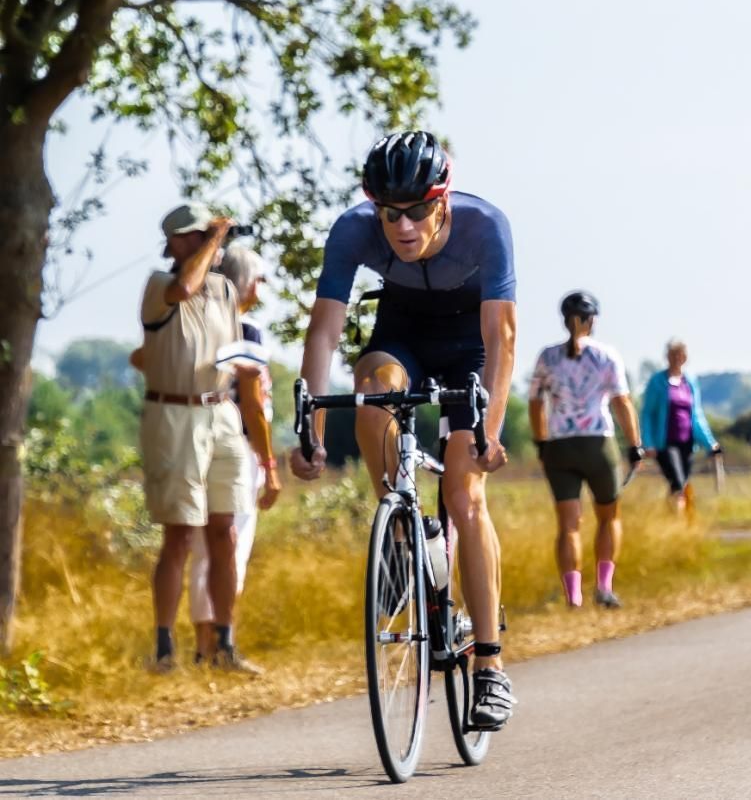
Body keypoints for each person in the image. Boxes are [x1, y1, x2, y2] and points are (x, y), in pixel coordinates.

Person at [288, 130, 516, 729]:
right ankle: (401, 528)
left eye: (417, 211)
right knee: (372, 386)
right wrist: (310, 424)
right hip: (403, 336)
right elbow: (324, 333)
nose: (403, 226)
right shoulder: (352, 229)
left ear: (442, 202)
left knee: (466, 498)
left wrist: (489, 431)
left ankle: (490, 666)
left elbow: (501, 341)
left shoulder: (486, 227)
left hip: (470, 348)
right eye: (390, 213)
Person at [138, 203, 255, 672]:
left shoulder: (224, 289)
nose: (212, 241)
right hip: (174, 414)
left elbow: (223, 350)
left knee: (225, 531)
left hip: (220, 412)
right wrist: (215, 239)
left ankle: (222, 645)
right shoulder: (157, 286)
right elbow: (183, 287)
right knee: (180, 534)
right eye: (200, 235)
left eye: (211, 234)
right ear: (176, 241)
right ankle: (164, 648)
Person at [187, 245, 280, 663]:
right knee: (232, 547)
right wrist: (270, 464)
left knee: (204, 550)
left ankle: (204, 646)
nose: (260, 288)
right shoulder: (248, 332)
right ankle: (221, 644)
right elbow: (254, 405)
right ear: (244, 282)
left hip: (194, 444)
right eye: (258, 279)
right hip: (236, 451)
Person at [528, 291, 644, 609]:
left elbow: (536, 403)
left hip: (559, 446)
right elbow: (622, 402)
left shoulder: (547, 356)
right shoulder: (606, 356)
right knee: (609, 517)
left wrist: (541, 442)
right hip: (597, 443)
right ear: (592, 321)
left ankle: (573, 596)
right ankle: (604, 588)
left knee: (568, 525)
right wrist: (635, 445)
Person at [640, 339, 721, 513]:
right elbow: (647, 413)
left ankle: (678, 523)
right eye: (673, 354)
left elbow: (697, 415)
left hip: (687, 443)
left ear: (685, 357)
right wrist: (648, 443)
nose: (676, 358)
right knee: (677, 481)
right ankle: (678, 521)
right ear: (667, 357)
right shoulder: (657, 382)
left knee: (682, 483)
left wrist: (710, 443)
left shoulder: (690, 381)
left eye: (680, 354)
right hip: (665, 443)